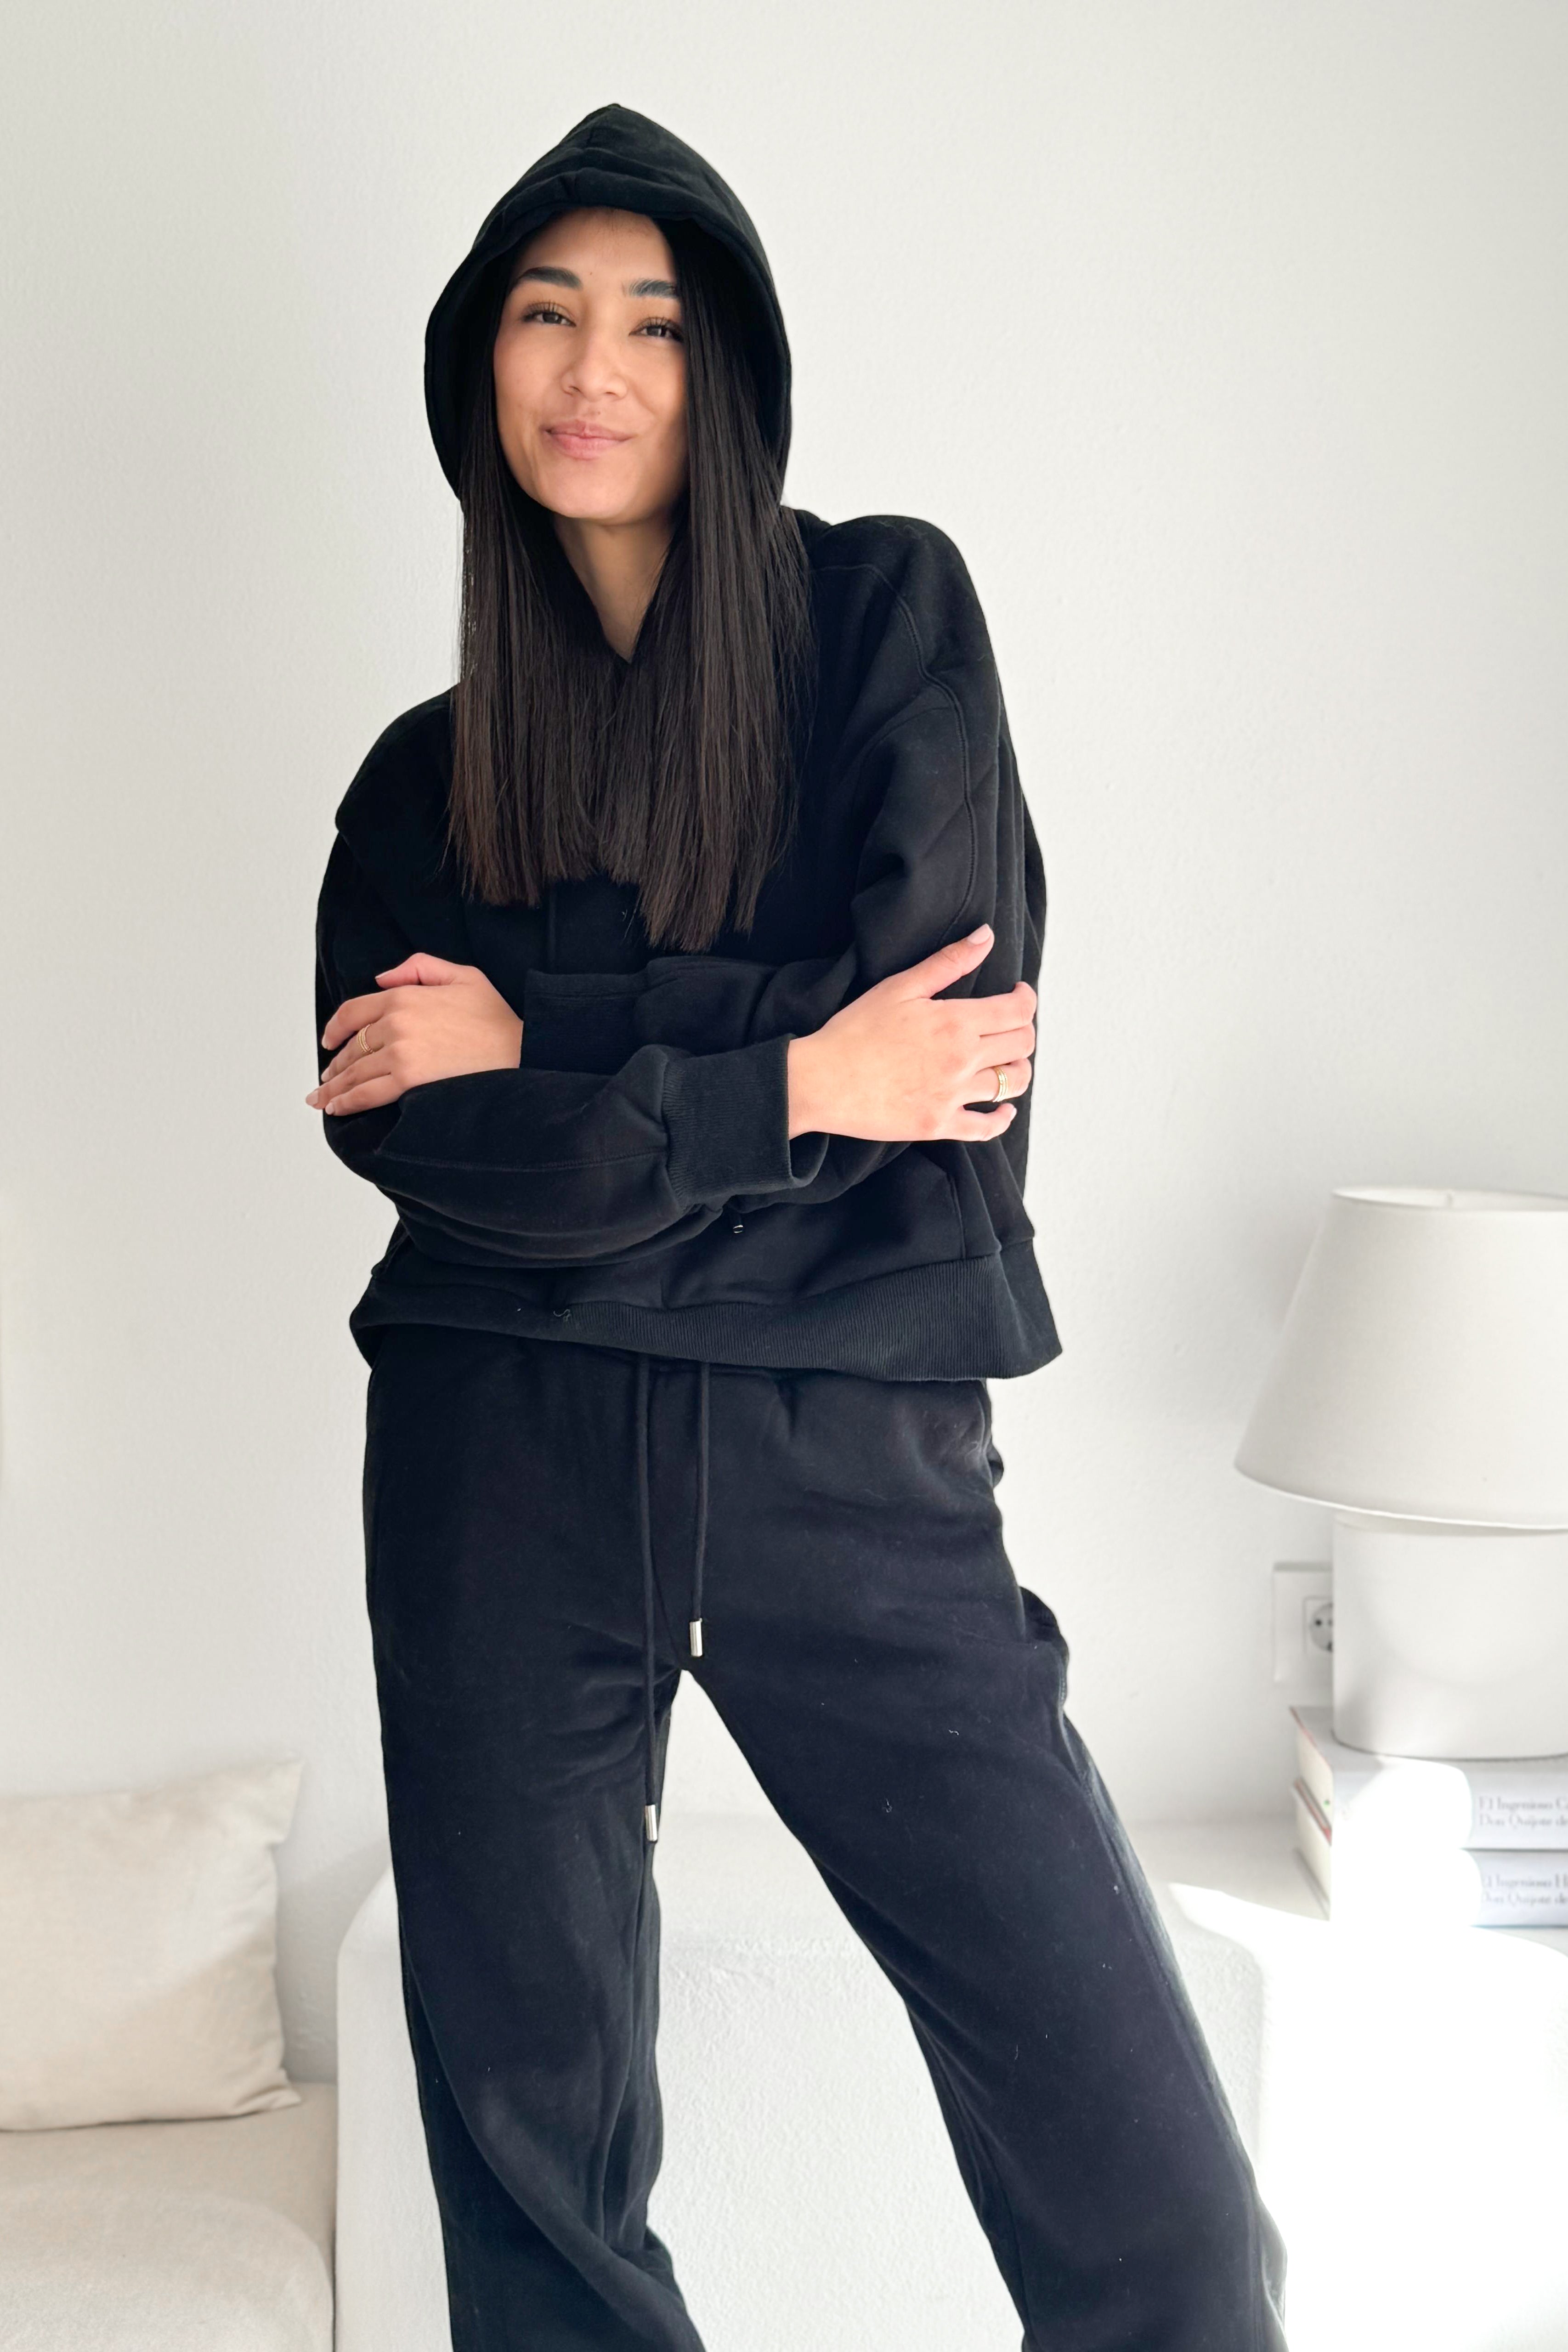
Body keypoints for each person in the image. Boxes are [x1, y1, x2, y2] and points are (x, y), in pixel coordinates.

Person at [308, 101, 1288, 2352]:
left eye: (654, 321)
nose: (595, 368)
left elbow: (941, 1033)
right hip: (496, 1456)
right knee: (536, 2181)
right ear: (479, 364)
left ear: (727, 365)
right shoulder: (417, 781)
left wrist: (560, 1049)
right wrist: (786, 1079)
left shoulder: (881, 620)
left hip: (843, 1455)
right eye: (545, 313)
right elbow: (426, 1142)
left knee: (1143, 2185)